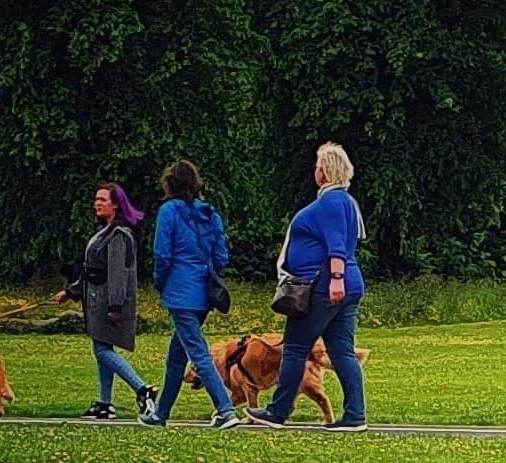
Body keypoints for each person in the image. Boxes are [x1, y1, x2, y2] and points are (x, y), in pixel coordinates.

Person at [245, 141, 367, 431]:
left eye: (317, 166)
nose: (314, 170)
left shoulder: (330, 203)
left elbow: (336, 245)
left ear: (324, 171)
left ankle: (278, 411)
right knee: (342, 351)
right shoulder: (346, 201)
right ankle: (355, 414)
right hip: (348, 284)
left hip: (323, 286)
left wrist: (335, 279)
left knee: (295, 349)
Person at [147, 159, 241, 429]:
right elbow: (221, 256)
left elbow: (162, 254)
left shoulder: (169, 211)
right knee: (177, 355)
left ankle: (225, 409)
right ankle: (161, 413)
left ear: (170, 184)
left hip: (179, 291)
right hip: (203, 293)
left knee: (198, 352)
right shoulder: (210, 214)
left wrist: (161, 282)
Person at [54, 184, 158, 422]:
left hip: (107, 303)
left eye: (102, 200)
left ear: (116, 205)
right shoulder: (105, 231)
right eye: (96, 199)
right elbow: (92, 269)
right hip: (96, 301)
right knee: (102, 349)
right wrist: (71, 292)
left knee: (101, 350)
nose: (97, 204)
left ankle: (142, 389)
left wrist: (115, 306)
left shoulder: (119, 235)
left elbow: (118, 273)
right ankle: (105, 404)